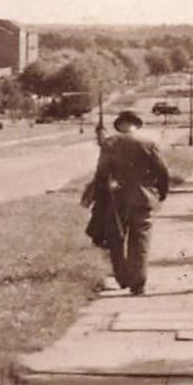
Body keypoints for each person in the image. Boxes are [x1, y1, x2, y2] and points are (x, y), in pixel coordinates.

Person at [81, 110, 170, 296]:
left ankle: (123, 277)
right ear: (136, 125)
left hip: (117, 198)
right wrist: (161, 192)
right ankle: (138, 282)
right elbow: (162, 171)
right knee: (141, 239)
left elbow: (102, 174)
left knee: (116, 238)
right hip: (143, 197)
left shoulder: (110, 143)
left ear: (120, 125)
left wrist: (99, 197)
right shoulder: (148, 143)